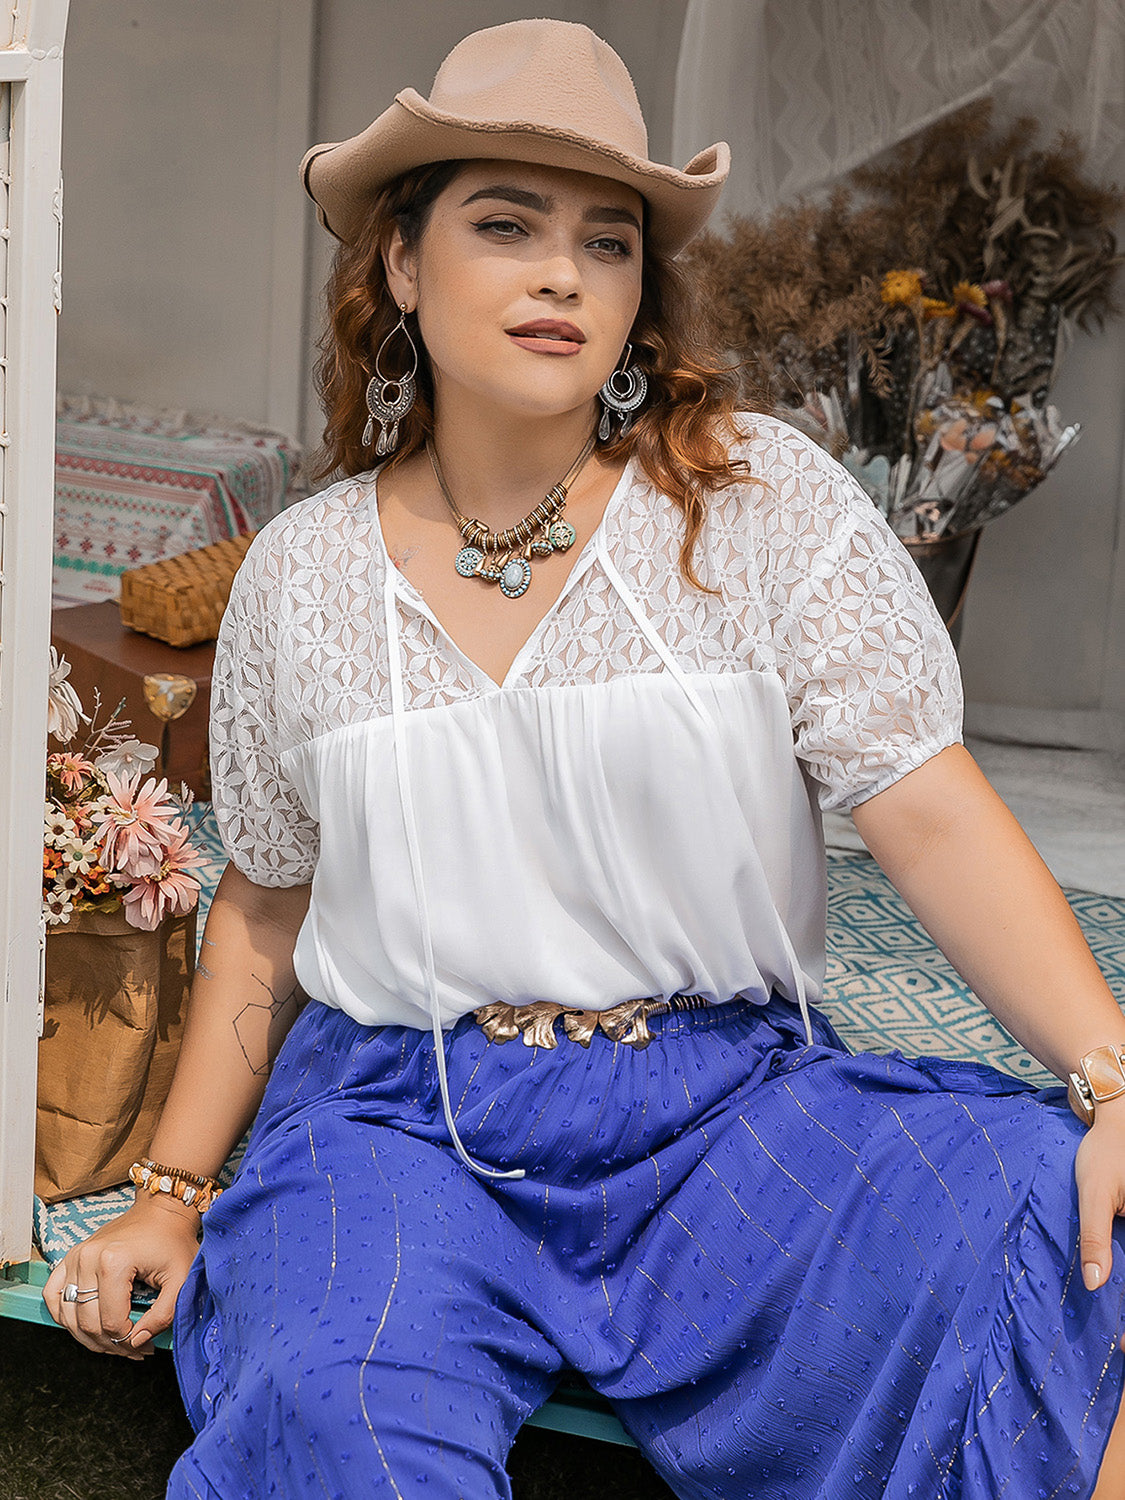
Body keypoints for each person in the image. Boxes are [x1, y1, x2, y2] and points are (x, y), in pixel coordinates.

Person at [44, 19, 1125, 1499]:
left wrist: (1105, 1075)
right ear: (404, 269)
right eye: (506, 226)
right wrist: (171, 1196)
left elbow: (925, 808)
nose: (562, 272)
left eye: (606, 243)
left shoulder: (752, 507)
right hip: (396, 1119)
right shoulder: (299, 574)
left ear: (637, 296)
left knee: (1054, 1219)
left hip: (718, 1108)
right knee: (336, 1420)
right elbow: (266, 911)